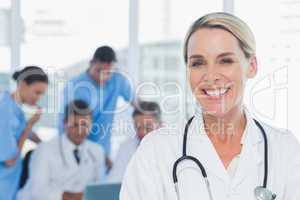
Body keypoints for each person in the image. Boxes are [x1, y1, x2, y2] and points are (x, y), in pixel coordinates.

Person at [120, 12, 300, 200]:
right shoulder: (156, 150)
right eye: (198, 63)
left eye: (225, 61)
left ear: (252, 66)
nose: (211, 75)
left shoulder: (284, 149)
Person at [58, 45, 135, 169]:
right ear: (90, 64)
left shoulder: (117, 80)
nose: (103, 77)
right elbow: (68, 125)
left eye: (108, 72)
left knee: (98, 185)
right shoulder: (75, 87)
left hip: (102, 148)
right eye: (98, 70)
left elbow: (136, 102)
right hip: (76, 146)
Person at [17, 100, 105, 200]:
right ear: (65, 124)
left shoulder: (97, 151)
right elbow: (37, 191)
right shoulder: (44, 150)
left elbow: (98, 189)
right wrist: (71, 197)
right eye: (75, 125)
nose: (80, 130)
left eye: (84, 125)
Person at [0, 66, 48, 200]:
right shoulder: (5, 110)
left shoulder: (14, 107)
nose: (38, 98)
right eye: (37, 92)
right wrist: (30, 125)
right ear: (22, 84)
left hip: (11, 183)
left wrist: (46, 146)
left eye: (42, 94)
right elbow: (9, 160)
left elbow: (24, 131)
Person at [107, 101, 162, 183]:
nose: (142, 132)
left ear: (160, 125)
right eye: (138, 128)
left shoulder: (171, 146)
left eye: (148, 127)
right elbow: (114, 179)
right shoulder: (126, 147)